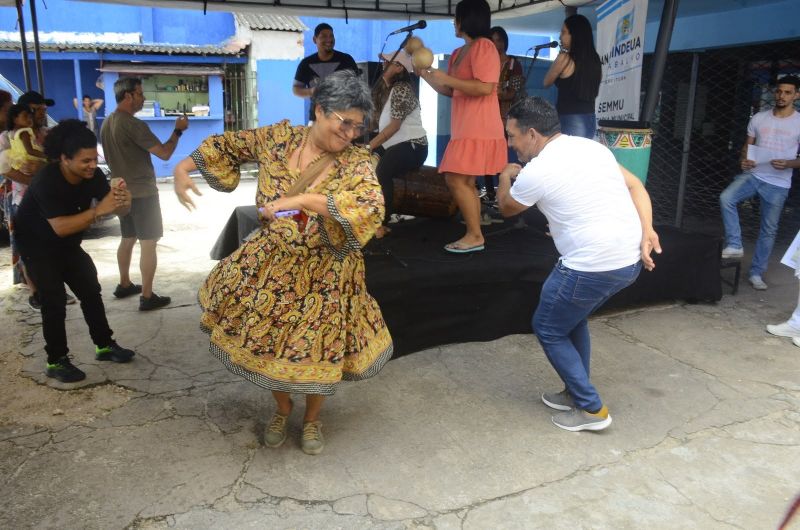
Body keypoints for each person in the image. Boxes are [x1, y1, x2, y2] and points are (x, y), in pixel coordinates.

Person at [173, 71, 392, 455]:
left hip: (327, 274)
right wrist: (181, 168)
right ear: (320, 110)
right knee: (267, 344)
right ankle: (282, 408)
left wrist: (303, 201)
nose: (352, 134)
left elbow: (372, 206)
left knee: (319, 350)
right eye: (345, 123)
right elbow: (224, 146)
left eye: (359, 127)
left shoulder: (357, 162)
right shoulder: (278, 138)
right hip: (272, 267)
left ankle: (311, 419)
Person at [497, 96, 661, 432]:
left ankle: (591, 409)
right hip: (627, 259)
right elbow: (636, 185)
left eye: (512, 136)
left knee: (548, 327)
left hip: (592, 264)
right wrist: (647, 230)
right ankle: (574, 392)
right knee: (572, 319)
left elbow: (506, 209)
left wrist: (504, 176)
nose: (511, 145)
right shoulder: (591, 147)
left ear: (531, 133)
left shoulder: (536, 171)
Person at [14, 119, 136, 383]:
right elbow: (61, 227)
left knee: (91, 290)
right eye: (85, 161)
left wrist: (124, 202)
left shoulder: (93, 176)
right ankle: (56, 360)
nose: (92, 165)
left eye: (94, 159)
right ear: (64, 159)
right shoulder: (47, 181)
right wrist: (99, 211)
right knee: (54, 301)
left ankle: (104, 345)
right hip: (37, 246)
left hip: (67, 245)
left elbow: (115, 207)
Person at [418, 0, 507, 253]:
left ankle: (475, 234)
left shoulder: (485, 46)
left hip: (479, 126)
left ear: (466, 19)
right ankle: (475, 233)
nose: (453, 23)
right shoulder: (459, 52)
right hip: (465, 127)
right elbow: (450, 89)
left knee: (456, 179)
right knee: (463, 182)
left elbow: (485, 87)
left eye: (455, 18)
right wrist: (425, 74)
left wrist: (446, 77)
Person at [100, 77, 189, 310]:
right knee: (148, 243)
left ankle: (125, 283)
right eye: (140, 94)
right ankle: (147, 296)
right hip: (142, 192)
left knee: (127, 238)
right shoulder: (132, 124)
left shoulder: (107, 122)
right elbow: (164, 153)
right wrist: (177, 132)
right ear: (128, 96)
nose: (143, 98)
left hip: (120, 191)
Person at [719, 75, 800, 290]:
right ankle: (735, 244)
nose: (782, 95)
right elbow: (747, 147)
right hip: (754, 175)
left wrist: (790, 163)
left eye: (788, 92)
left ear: (796, 95)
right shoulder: (759, 118)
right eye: (779, 91)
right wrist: (743, 160)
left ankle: (756, 273)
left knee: (768, 230)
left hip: (778, 183)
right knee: (726, 198)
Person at [368, 50, 428, 237]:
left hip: (413, 145)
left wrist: (369, 146)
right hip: (396, 145)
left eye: (388, 62)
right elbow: (376, 121)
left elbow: (394, 127)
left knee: (382, 172)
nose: (383, 65)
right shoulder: (391, 88)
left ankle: (382, 223)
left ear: (399, 67)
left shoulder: (402, 89)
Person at [481, 25, 526, 203]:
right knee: (486, 153)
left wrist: (496, 93)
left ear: (505, 42)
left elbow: (513, 92)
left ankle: (511, 193)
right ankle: (490, 193)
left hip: (506, 116)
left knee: (505, 154)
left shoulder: (513, 63)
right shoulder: (483, 63)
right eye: (492, 39)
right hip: (486, 115)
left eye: (499, 39)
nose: (495, 43)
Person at [543, 14, 602, 139]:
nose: (560, 36)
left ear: (574, 35)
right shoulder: (594, 59)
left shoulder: (564, 58)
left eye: (563, 32)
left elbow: (546, 82)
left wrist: (559, 57)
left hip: (570, 118)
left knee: (569, 157)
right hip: (589, 117)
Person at [293, 23, 358, 123]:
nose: (329, 40)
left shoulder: (346, 60)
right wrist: (311, 91)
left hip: (343, 120)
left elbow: (357, 87)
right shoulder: (306, 64)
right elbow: (296, 89)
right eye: (324, 36)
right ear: (315, 40)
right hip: (316, 120)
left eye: (331, 36)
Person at [7, 104, 47, 170]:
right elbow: (30, 150)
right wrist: (46, 156)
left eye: (30, 117)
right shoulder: (24, 132)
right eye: (25, 116)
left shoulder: (10, 133)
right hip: (31, 158)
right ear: (15, 119)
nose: (29, 119)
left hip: (19, 161)